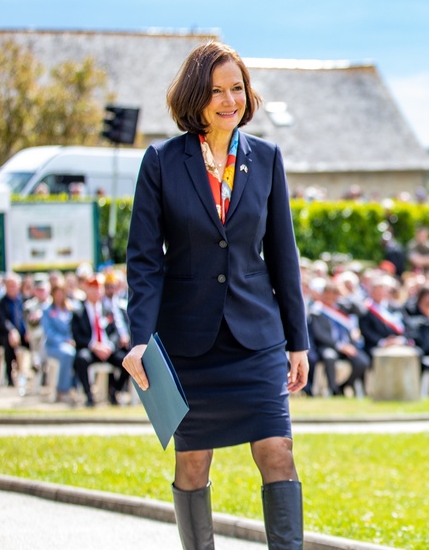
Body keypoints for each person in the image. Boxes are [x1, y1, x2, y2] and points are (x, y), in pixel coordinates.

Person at [123, 41, 309, 549]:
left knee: (278, 451)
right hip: (187, 341)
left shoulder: (267, 159)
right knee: (192, 461)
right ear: (195, 99)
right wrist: (140, 338)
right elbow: (144, 259)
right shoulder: (161, 162)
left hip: (257, 338)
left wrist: (299, 341)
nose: (230, 100)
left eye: (237, 88)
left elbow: (282, 255)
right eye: (216, 91)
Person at [72, 275, 130, 406]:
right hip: (90, 349)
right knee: (81, 359)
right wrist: (94, 346)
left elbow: (114, 332)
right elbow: (77, 336)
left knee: (127, 360)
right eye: (92, 288)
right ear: (86, 290)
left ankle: (114, 390)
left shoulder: (106, 309)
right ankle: (89, 395)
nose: (95, 292)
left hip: (107, 349)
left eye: (98, 289)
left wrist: (109, 346)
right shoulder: (78, 311)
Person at [307, 281, 369, 396]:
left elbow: (361, 311)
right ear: (323, 294)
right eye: (329, 294)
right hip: (328, 346)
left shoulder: (342, 308)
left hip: (347, 346)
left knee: (362, 361)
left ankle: (344, 386)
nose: (331, 297)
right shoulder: (316, 311)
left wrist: (346, 294)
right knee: (329, 356)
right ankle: (333, 389)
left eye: (335, 294)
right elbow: (320, 334)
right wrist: (340, 346)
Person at [0, 272, 30, 390]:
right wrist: (12, 331)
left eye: (14, 285)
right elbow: (3, 322)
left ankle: (32, 373)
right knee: (10, 342)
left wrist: (29, 331)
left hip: (24, 335)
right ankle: (10, 377)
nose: (12, 288)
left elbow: (28, 318)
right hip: (6, 335)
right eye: (9, 285)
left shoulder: (24, 301)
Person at [41, 282, 77, 403]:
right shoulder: (47, 310)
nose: (60, 296)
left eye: (62, 293)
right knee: (68, 354)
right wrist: (64, 340)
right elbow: (49, 332)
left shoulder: (70, 309)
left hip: (70, 344)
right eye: (57, 293)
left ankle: (74, 387)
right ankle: (62, 389)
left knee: (79, 354)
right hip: (53, 345)